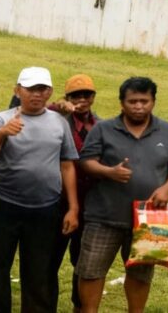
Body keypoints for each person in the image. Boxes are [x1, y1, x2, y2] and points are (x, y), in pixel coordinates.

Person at [76, 77, 168, 313]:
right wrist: (109, 172)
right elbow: (85, 162)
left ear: (153, 102)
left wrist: (167, 188)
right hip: (103, 216)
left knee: (140, 274)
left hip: (150, 220)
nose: (139, 106)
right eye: (132, 101)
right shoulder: (103, 129)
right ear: (122, 103)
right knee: (91, 271)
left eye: (144, 101)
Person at [0, 67, 79, 313]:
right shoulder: (2, 118)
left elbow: (67, 165)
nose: (36, 94)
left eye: (42, 89)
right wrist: (3, 132)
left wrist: (73, 208)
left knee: (39, 269)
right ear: (17, 90)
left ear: (50, 92)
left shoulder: (59, 122)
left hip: (45, 208)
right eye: (30, 89)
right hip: (4, 205)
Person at [46, 74, 102, 313]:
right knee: (50, 260)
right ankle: (44, 306)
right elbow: (38, 111)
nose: (82, 99)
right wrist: (59, 106)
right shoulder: (57, 119)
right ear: (67, 97)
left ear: (93, 97)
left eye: (86, 94)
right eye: (75, 95)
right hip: (57, 200)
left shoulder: (100, 125)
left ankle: (79, 306)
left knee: (83, 262)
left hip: (90, 203)